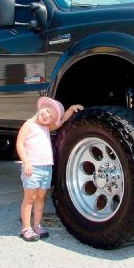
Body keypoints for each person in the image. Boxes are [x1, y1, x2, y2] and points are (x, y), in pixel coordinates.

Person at [16, 97, 84, 241]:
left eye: (51, 116)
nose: (47, 115)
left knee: (41, 198)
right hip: (32, 168)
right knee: (30, 198)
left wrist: (71, 109)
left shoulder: (46, 127)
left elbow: (60, 122)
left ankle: (37, 225)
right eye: (47, 111)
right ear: (42, 108)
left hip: (46, 168)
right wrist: (26, 161)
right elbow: (20, 144)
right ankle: (26, 228)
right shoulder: (29, 125)